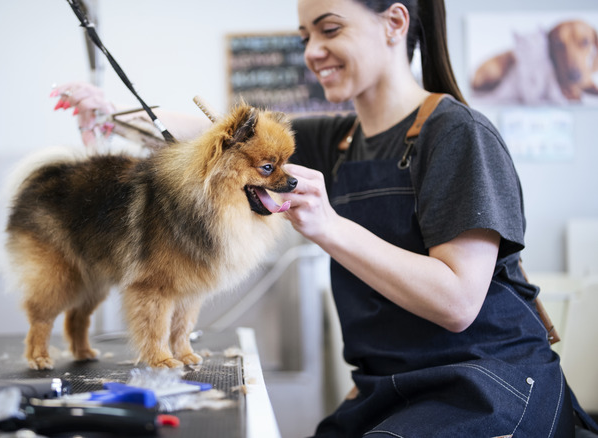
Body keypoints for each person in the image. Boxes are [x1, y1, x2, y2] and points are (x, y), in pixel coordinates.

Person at [52, 1, 598, 436]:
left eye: (329, 29)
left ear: (394, 23)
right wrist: (111, 112)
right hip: (392, 388)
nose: (312, 51)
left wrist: (330, 226)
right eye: (303, 37)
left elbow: (458, 303)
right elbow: (204, 138)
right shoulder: (335, 139)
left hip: (488, 388)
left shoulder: (457, 134)